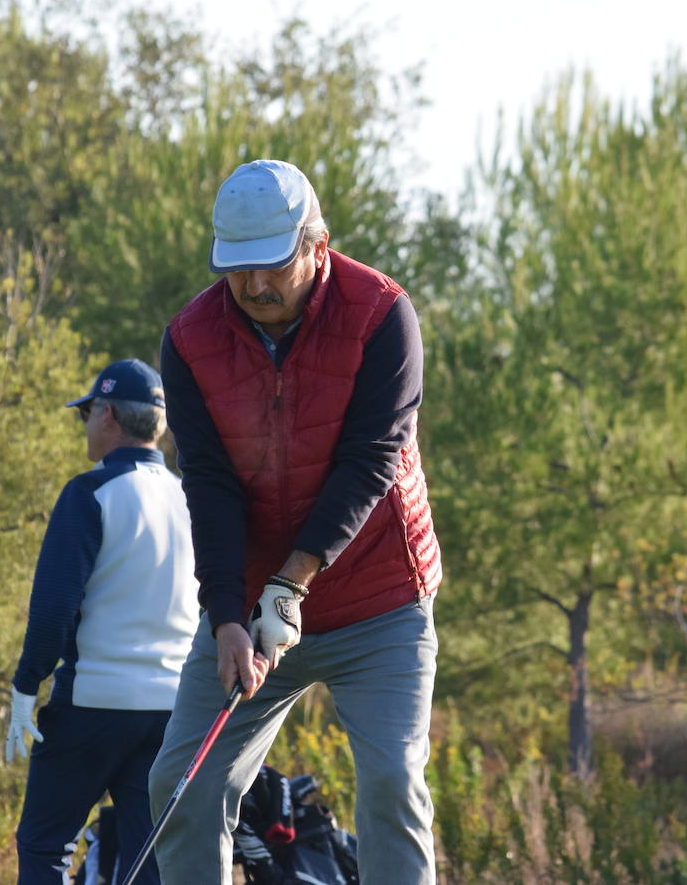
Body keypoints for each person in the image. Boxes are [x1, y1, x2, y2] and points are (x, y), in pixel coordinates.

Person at [149, 159, 443, 884]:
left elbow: (371, 461)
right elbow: (209, 483)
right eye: (236, 270)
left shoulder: (380, 314)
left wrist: (292, 583)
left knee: (390, 787)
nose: (252, 287)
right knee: (181, 785)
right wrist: (225, 615)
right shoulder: (191, 339)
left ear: (318, 244)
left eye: (270, 266)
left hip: (379, 603)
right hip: (250, 612)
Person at [6, 359, 200, 885]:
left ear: (109, 415)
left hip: (92, 703)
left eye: (87, 414)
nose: (86, 426)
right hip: (170, 710)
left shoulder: (89, 493)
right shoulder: (192, 498)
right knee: (147, 858)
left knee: (45, 846)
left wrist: (26, 686)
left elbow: (53, 610)